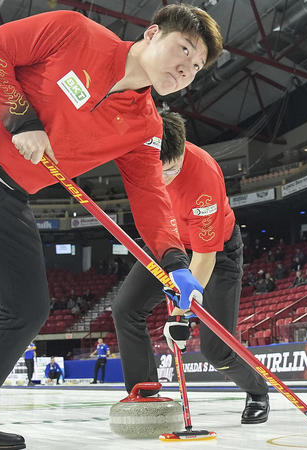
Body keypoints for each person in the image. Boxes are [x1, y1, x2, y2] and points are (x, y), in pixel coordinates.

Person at [0, 4, 222, 450]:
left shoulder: (145, 125)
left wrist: (175, 262)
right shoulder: (74, 31)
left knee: (29, 304)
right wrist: (21, 118)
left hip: (9, 191)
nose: (186, 69)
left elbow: (150, 196)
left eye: (196, 67)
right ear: (152, 34)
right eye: (184, 50)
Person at [112, 111, 269, 425]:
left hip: (215, 253)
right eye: (160, 171)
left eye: (172, 170)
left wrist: (179, 316)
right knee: (125, 309)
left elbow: (204, 258)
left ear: (183, 150)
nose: (164, 179)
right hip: (167, 243)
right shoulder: (140, 153)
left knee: (217, 351)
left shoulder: (203, 177)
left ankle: (257, 391)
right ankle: (145, 398)